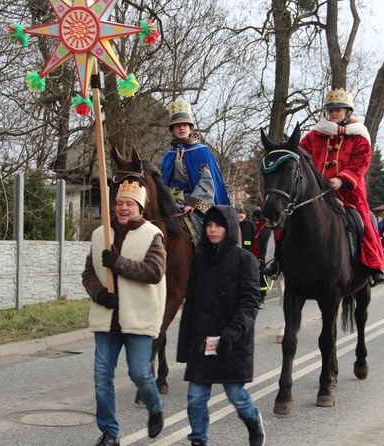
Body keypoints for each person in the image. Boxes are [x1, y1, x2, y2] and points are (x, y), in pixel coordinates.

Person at [81, 180, 167, 446]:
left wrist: (118, 263)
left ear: (139, 207)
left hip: (137, 318)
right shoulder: (100, 235)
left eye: (129, 203)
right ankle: (110, 432)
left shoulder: (152, 234)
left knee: (140, 373)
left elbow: (154, 272)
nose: (123, 207)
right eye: (119, 203)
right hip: (107, 319)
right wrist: (99, 294)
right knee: (102, 376)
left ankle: (154, 407)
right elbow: (88, 273)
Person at [176, 205, 265, 446]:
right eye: (209, 226)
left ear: (230, 229)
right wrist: (185, 346)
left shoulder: (245, 260)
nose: (212, 230)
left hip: (232, 343)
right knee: (195, 397)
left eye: (218, 226)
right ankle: (198, 440)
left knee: (236, 395)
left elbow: (250, 303)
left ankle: (253, 422)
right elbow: (191, 304)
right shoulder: (199, 260)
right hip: (203, 341)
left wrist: (231, 333)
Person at [299, 88, 384, 286]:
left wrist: (342, 179)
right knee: (287, 215)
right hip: (316, 191)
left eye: (338, 109)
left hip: (348, 191)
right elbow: (301, 157)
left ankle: (374, 266)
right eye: (330, 110)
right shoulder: (313, 136)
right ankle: (273, 261)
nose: (333, 113)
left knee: (364, 222)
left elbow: (361, 162)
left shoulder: (359, 136)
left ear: (347, 111)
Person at [161, 100, 231, 244]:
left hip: (198, 201)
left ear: (191, 129)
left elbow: (207, 180)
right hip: (173, 199)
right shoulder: (168, 155)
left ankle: (205, 253)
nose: (181, 128)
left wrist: (193, 203)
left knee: (200, 225)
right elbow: (163, 182)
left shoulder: (201, 151)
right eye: (178, 126)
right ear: (172, 130)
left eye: (185, 125)